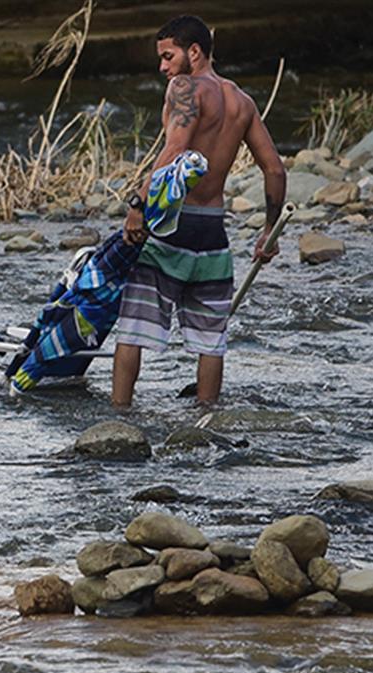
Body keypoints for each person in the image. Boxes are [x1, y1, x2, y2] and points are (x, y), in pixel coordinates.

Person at [111, 15, 286, 407]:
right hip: (212, 232)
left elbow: (174, 150)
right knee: (211, 341)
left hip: (172, 223)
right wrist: (269, 230)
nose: (163, 67)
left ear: (194, 52)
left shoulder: (185, 87)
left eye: (168, 56)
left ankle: (119, 419)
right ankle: (206, 420)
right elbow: (274, 167)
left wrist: (138, 203)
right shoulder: (242, 101)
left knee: (133, 328)